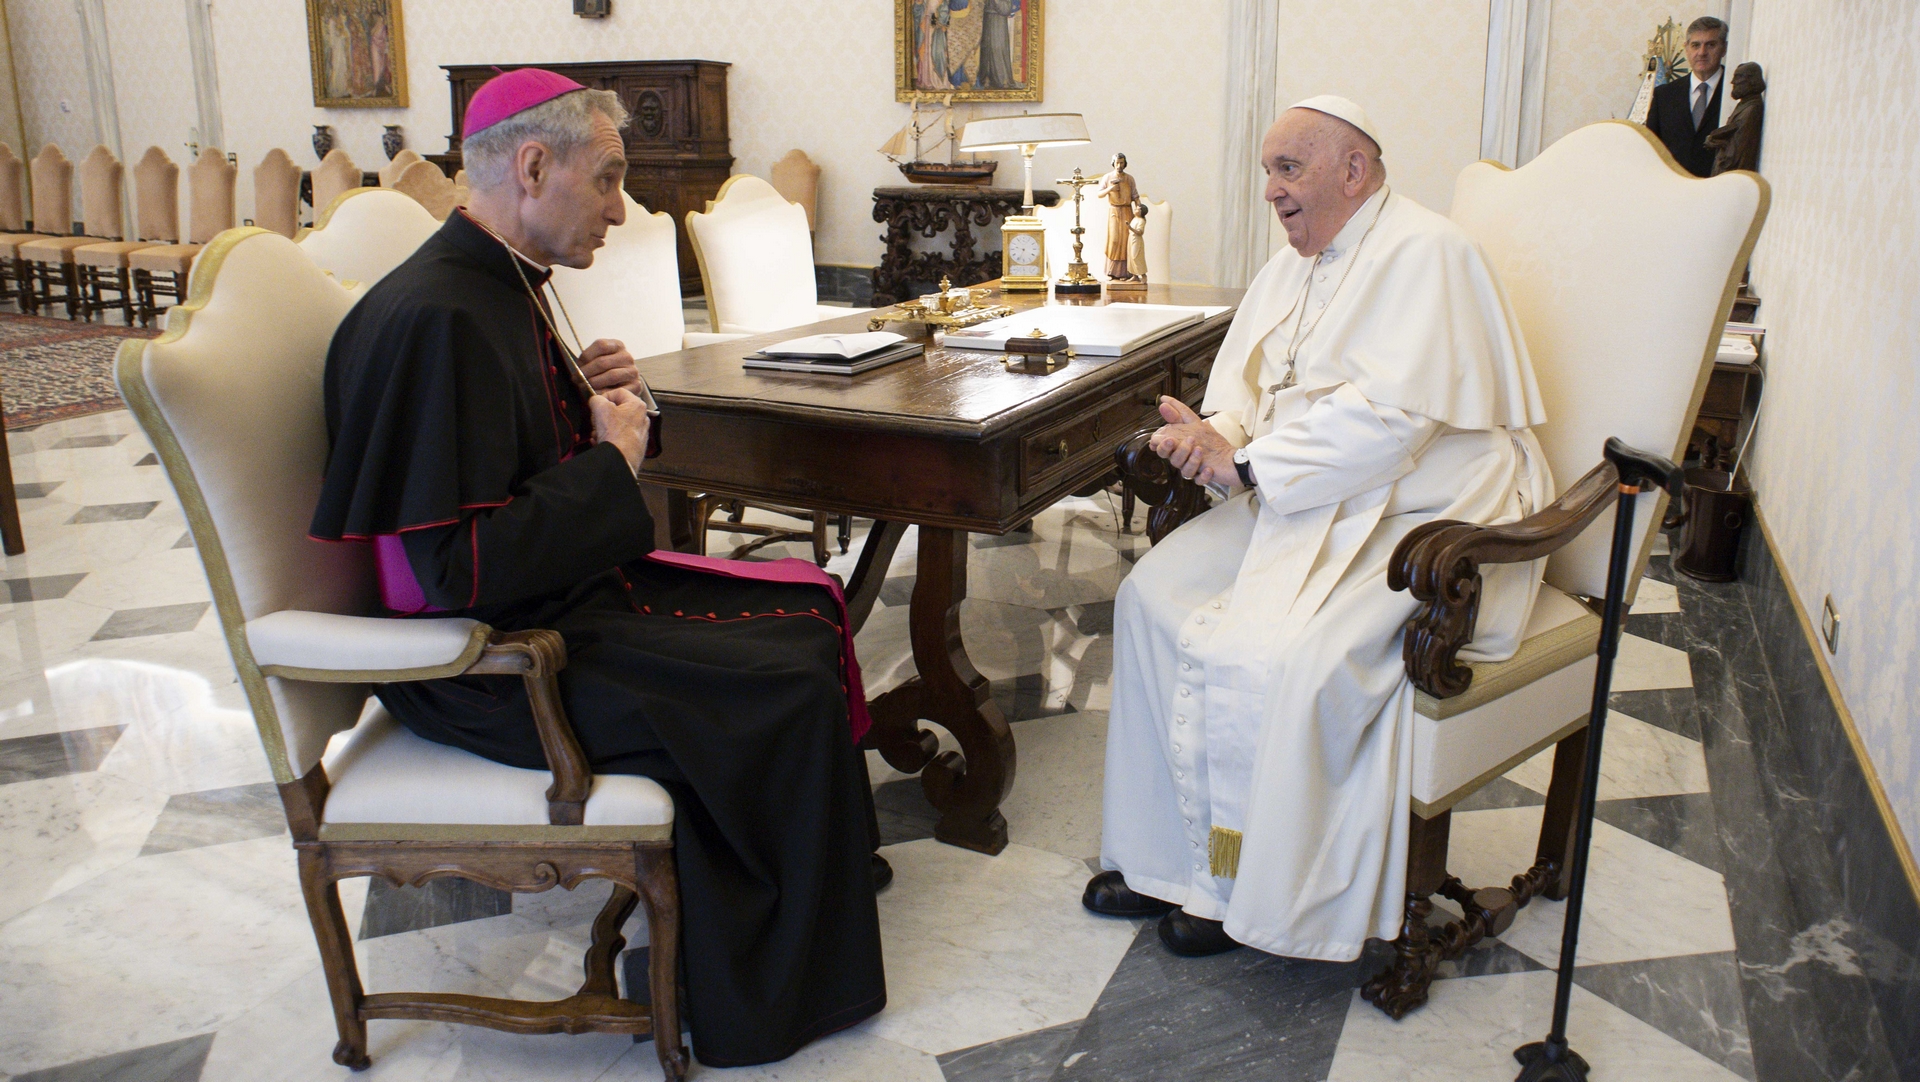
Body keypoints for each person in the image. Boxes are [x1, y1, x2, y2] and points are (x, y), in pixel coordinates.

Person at [309, 68, 886, 1068]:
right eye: (610, 179)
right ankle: (762, 987)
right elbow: (454, 567)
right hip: (482, 669)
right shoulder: (440, 316)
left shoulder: (497, 286)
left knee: (805, 625)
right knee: (781, 687)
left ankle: (808, 891)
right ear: (532, 166)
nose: (625, 209)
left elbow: (516, 483)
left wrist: (605, 416)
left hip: (539, 612)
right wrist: (613, 459)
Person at [1085, 96, 1552, 962]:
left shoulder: (1427, 252)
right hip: (1313, 491)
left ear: (1354, 170)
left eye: (1287, 168)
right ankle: (1166, 862)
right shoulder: (1295, 263)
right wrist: (1216, 431)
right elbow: (1249, 385)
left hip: (1426, 510)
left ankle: (1246, 891)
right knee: (1152, 596)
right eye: (1267, 169)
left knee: (1288, 658)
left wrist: (1250, 466)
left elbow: (1395, 424)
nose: (1269, 190)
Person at [1644, 16, 1730, 177]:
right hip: (1673, 190)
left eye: (1710, 45)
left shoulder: (1734, 91)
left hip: (1720, 188)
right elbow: (1651, 148)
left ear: (1724, 48)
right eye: (1695, 45)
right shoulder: (1664, 95)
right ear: (1686, 48)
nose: (1702, 52)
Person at [1092, 153, 1140, 280]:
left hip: (1127, 211)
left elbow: (1135, 195)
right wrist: (1110, 189)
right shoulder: (1107, 177)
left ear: (1125, 163)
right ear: (1113, 163)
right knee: (1114, 240)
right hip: (1114, 211)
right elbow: (1099, 194)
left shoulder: (1129, 178)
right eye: (1117, 163)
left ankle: (1126, 273)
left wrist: (1139, 208)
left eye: (1122, 163)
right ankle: (1112, 272)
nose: (1119, 165)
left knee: (1126, 241)